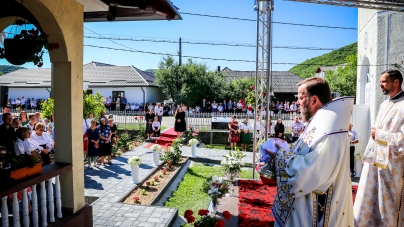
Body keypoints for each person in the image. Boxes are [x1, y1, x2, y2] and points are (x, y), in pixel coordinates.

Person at [264, 77, 354, 227]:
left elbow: (311, 173)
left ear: (313, 100)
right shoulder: (319, 123)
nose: (297, 103)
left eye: (300, 98)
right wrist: (288, 148)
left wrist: (279, 155)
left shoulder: (330, 133)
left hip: (316, 215)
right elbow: (306, 152)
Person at [354, 70, 404, 226]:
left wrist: (380, 135)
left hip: (392, 166)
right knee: (369, 201)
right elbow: (374, 134)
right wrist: (367, 155)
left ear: (396, 82)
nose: (380, 85)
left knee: (386, 202)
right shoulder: (384, 104)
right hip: (374, 162)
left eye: (383, 81)